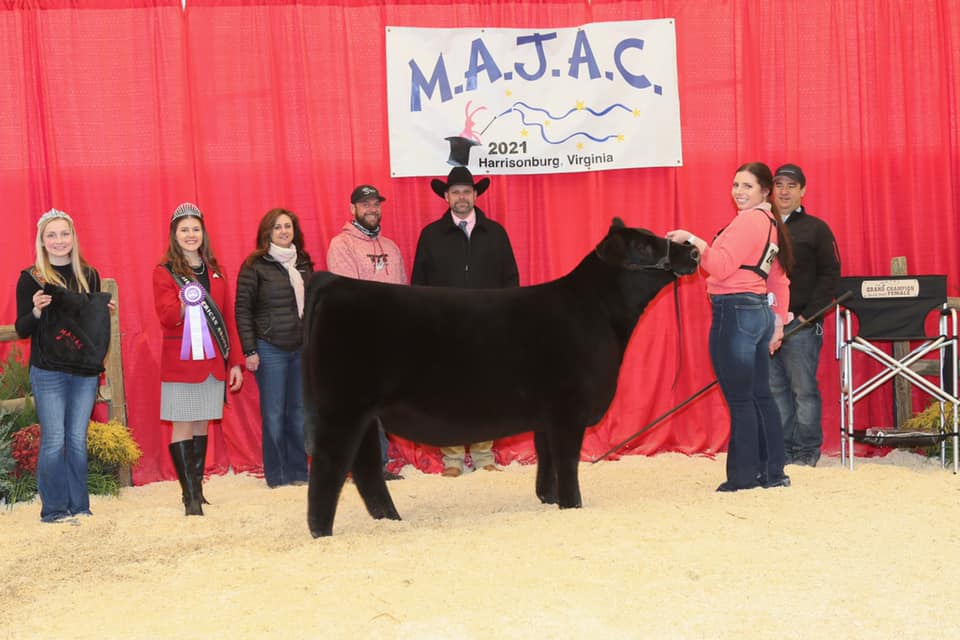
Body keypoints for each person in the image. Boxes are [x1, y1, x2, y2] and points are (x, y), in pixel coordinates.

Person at [667, 162, 794, 492]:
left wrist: (692, 239)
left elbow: (720, 267)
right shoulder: (770, 223)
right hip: (758, 313)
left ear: (764, 191)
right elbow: (779, 279)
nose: (739, 191)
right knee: (760, 396)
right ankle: (772, 472)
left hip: (734, 313)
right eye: (736, 184)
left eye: (747, 186)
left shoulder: (748, 221)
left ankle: (742, 477)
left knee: (741, 401)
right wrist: (777, 322)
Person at [411, 167, 519, 477]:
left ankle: (484, 455)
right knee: (449, 393)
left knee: (487, 391)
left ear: (475, 194)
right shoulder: (430, 235)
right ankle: (453, 458)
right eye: (455, 192)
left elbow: (511, 279)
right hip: (446, 328)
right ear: (446, 197)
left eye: (466, 191)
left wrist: (506, 320)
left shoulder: (496, 233)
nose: (461, 197)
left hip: (489, 326)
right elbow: (420, 283)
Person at [15, 208, 113, 523]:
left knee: (76, 437)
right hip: (48, 369)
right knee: (55, 438)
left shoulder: (90, 274)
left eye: (64, 234)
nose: (59, 240)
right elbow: (21, 328)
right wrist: (37, 312)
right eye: (52, 235)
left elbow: (93, 330)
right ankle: (54, 509)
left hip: (83, 369)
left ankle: (80, 505)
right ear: (42, 241)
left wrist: (101, 310)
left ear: (73, 237)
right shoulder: (31, 278)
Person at [153, 202, 243, 515]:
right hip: (182, 362)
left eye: (195, 229)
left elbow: (228, 319)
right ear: (174, 236)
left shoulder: (216, 271)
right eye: (184, 230)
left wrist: (235, 363)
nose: (191, 235)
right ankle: (189, 497)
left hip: (213, 361)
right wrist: (180, 303)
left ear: (203, 233)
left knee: (202, 423)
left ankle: (197, 488)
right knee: (182, 425)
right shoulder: (165, 272)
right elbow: (166, 318)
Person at [326, 184, 407, 481]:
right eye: (365, 204)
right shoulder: (341, 245)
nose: (372, 208)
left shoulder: (392, 247)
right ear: (353, 209)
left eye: (376, 204)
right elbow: (349, 294)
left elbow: (403, 293)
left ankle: (379, 463)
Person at [235, 208, 314, 488]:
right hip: (270, 348)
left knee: (299, 411)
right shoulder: (254, 265)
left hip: (300, 348)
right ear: (267, 232)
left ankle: (298, 472)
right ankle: (277, 474)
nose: (283, 231)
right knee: (274, 413)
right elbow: (242, 310)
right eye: (277, 227)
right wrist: (249, 350)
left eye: (288, 226)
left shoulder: (304, 262)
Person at [769, 164, 841, 467]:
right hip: (766, 324)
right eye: (779, 185)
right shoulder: (761, 225)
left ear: (803, 191)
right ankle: (783, 449)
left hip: (801, 325)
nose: (784, 191)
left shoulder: (816, 228)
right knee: (775, 390)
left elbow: (831, 275)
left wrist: (807, 317)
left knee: (803, 390)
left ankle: (807, 450)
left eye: (791, 186)